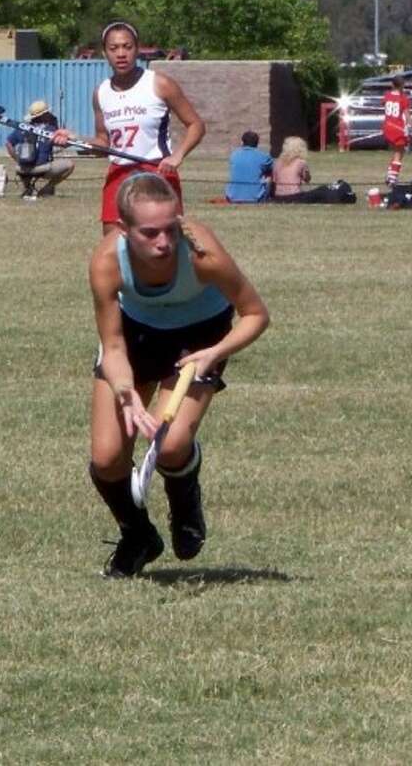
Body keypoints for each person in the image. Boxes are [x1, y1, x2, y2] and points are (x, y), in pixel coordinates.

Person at [88, 172, 270, 578]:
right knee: (107, 458)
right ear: (123, 229)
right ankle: (138, 535)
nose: (164, 242)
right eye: (150, 233)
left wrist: (216, 353)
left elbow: (256, 314)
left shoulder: (201, 253)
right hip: (135, 336)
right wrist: (126, 392)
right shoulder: (106, 261)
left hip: (200, 338)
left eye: (171, 228)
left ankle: (185, 499)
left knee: (170, 445)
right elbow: (113, 347)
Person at [53, 21, 205, 233]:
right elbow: (103, 144)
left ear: (137, 48)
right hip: (119, 175)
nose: (121, 54)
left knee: (162, 245)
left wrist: (177, 156)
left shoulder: (160, 84)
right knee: (113, 245)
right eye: (113, 48)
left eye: (127, 47)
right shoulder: (101, 93)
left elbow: (196, 125)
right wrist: (75, 139)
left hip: (156, 173)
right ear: (105, 53)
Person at [5, 99, 74, 200]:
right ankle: (47, 188)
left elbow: (8, 143)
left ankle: (28, 188)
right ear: (44, 115)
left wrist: (17, 159)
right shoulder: (50, 129)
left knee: (25, 164)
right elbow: (64, 144)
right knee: (70, 165)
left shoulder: (22, 128)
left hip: (22, 169)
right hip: (42, 169)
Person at [224, 131, 273, 203]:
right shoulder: (263, 157)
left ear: (242, 142)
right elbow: (273, 169)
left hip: (232, 198)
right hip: (256, 199)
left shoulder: (234, 155)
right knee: (269, 175)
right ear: (257, 143)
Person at [382, 75, 411, 185]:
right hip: (398, 128)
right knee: (399, 153)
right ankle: (392, 179)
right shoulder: (403, 98)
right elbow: (407, 115)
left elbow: (384, 103)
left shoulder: (387, 95)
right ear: (402, 85)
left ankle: (390, 174)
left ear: (392, 84)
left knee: (396, 152)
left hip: (387, 127)